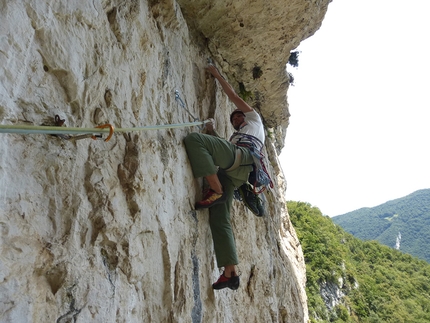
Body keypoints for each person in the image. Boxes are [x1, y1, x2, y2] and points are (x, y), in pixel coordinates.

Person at [184, 64, 265, 290]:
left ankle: (216, 189)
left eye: (238, 115)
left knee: (194, 140)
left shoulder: (255, 120)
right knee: (220, 217)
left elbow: (233, 96)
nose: (236, 118)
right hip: (237, 172)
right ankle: (230, 272)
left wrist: (216, 74)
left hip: (240, 160)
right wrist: (213, 132)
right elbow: (223, 153)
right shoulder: (236, 137)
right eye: (233, 118)